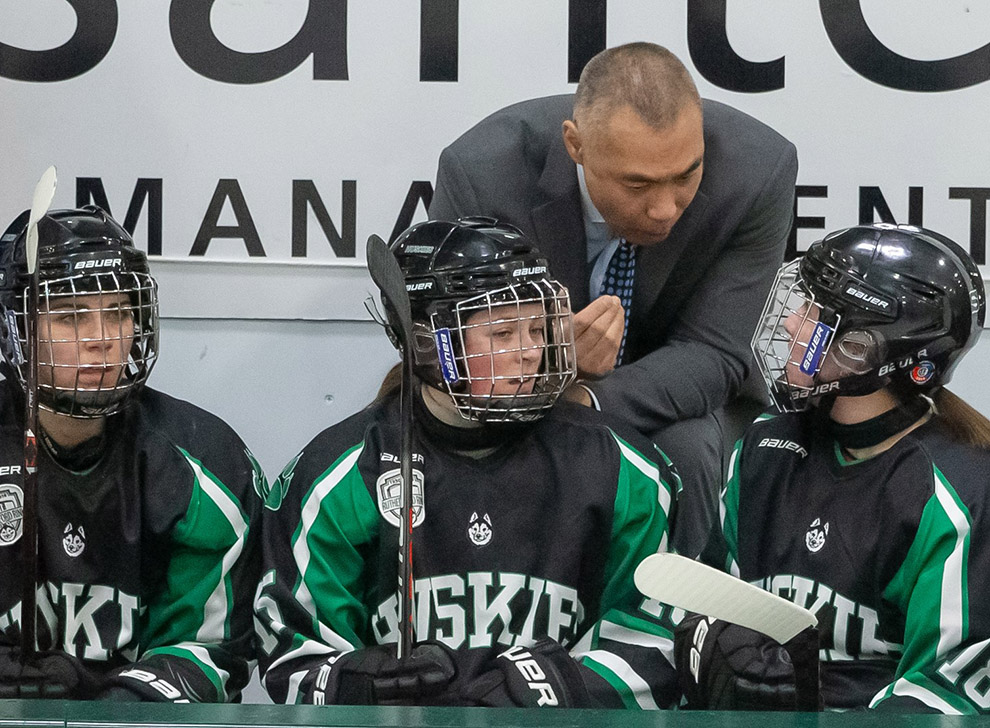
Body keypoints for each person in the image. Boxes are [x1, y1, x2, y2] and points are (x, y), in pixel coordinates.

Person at [255, 218, 678, 708]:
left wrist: (567, 687)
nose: (529, 353)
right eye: (501, 333)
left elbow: (660, 643)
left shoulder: (626, 470)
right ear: (425, 343)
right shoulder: (341, 476)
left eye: (538, 328)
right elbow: (291, 656)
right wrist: (353, 681)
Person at [675, 223, 990, 713]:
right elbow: (709, 611)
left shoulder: (972, 489)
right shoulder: (765, 448)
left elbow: (951, 699)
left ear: (865, 350)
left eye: (814, 312)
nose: (793, 325)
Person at [428, 41, 798, 557]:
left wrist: (583, 400)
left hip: (689, 398)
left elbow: (719, 351)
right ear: (575, 145)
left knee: (685, 448)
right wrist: (553, 368)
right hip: (518, 390)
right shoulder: (484, 173)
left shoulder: (758, 169)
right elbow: (454, 348)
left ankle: (675, 627)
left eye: (687, 174)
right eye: (637, 183)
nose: (665, 208)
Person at [0, 206, 261, 702]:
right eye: (72, 317)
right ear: (17, 327)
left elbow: (208, 649)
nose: (102, 340)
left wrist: (121, 709)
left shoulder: (204, 465)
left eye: (119, 312)